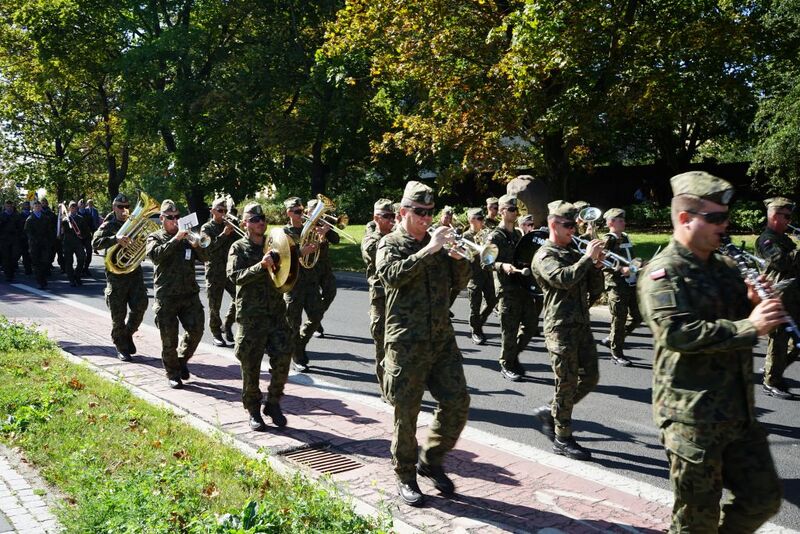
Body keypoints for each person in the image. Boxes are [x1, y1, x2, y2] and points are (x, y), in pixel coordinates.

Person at [639, 171, 783, 532]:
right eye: (715, 217)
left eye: (725, 217)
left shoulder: (726, 267)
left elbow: (738, 316)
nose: (725, 225)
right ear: (685, 218)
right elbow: (676, 333)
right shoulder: (663, 273)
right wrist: (750, 326)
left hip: (737, 410)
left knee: (762, 499)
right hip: (692, 417)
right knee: (696, 519)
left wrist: (754, 302)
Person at [376, 180, 471, 507]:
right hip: (406, 341)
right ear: (403, 212)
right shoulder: (390, 243)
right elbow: (391, 276)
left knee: (457, 402)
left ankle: (431, 460)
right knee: (407, 413)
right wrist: (429, 249)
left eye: (430, 212)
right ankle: (405, 474)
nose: (426, 218)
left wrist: (458, 258)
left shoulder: (440, 245)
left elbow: (460, 283)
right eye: (420, 212)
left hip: (441, 339)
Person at [531, 200, 604, 461]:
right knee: (566, 382)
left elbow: (595, 290)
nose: (574, 229)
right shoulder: (544, 255)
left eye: (575, 224)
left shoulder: (574, 252)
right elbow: (563, 279)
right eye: (569, 225)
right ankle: (562, 438)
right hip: (560, 328)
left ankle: (551, 412)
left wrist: (596, 267)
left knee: (590, 377)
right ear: (553, 224)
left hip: (581, 324)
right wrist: (587, 259)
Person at [227, 202, 293, 431]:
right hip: (251, 316)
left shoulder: (274, 244)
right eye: (254, 220)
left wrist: (298, 254)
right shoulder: (238, 247)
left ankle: (273, 403)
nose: (260, 222)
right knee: (250, 365)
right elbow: (235, 276)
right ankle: (253, 410)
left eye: (262, 218)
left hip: (275, 313)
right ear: (245, 223)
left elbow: (288, 267)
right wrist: (260, 266)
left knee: (284, 356)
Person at [146, 199, 209, 388]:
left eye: (177, 217)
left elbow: (206, 258)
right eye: (170, 217)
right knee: (169, 339)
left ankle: (181, 360)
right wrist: (176, 239)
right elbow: (155, 256)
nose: (174, 220)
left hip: (189, 293)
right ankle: (172, 374)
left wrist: (197, 246)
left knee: (197, 330)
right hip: (167, 296)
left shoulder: (188, 238)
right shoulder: (155, 237)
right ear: (162, 219)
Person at [92, 194, 149, 361]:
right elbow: (95, 243)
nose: (124, 210)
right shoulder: (108, 225)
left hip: (134, 273)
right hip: (116, 276)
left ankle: (127, 334)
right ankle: (121, 346)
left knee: (141, 306)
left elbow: (146, 241)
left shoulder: (135, 223)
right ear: (113, 207)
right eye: (120, 206)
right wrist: (115, 239)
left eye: (127, 206)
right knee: (118, 315)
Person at [487, 194, 536, 380]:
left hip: (522, 286)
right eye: (512, 209)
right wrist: (502, 266)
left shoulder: (518, 234)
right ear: (501, 211)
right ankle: (506, 364)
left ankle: (512, 355)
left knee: (531, 326)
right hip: (507, 289)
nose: (516, 213)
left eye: (516, 209)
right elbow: (486, 262)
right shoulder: (494, 236)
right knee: (510, 330)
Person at [756, 196, 800, 399]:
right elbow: (782, 262)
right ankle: (771, 382)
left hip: (794, 295)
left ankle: (773, 370)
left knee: (795, 343)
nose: (790, 221)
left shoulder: (785, 239)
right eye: (787, 216)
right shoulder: (766, 240)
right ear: (774, 216)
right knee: (779, 340)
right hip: (778, 296)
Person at [283, 197, 327, 372]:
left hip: (311, 280)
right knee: (293, 322)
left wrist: (322, 238)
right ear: (289, 213)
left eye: (302, 210)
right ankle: (296, 356)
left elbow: (320, 253)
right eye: (297, 212)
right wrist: (301, 252)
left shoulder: (310, 228)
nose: (302, 214)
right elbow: (283, 257)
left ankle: (299, 345)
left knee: (316, 316)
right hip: (293, 283)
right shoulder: (284, 232)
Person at [597, 208, 642, 366]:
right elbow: (600, 262)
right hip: (616, 285)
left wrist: (638, 263)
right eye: (620, 220)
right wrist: (620, 269)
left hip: (631, 282)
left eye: (623, 220)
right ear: (611, 223)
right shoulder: (608, 239)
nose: (624, 222)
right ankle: (616, 353)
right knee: (619, 319)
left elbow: (630, 258)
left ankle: (612, 339)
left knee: (637, 317)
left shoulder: (625, 237)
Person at [361, 199, 395, 396]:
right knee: (381, 343)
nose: (391, 219)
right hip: (381, 297)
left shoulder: (398, 236)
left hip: (398, 296)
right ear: (376, 218)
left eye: (393, 215)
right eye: (387, 216)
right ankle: (385, 389)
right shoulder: (371, 240)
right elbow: (377, 255)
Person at [201, 197, 238, 347]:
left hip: (230, 270)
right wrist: (224, 234)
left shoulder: (229, 225)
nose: (223, 214)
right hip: (214, 271)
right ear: (212, 211)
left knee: (239, 297)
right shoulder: (206, 228)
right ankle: (216, 333)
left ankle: (228, 323)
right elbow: (208, 248)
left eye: (225, 211)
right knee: (214, 306)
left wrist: (239, 227)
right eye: (220, 210)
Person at [306, 197, 340, 339]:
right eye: (315, 212)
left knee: (331, 292)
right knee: (313, 299)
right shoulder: (304, 226)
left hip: (325, 266)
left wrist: (326, 232)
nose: (319, 216)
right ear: (308, 212)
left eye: (320, 212)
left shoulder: (324, 224)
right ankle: (315, 324)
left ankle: (315, 319)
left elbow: (336, 240)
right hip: (310, 267)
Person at [462, 207, 497, 345]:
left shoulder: (486, 233)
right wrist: (476, 251)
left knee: (492, 301)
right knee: (474, 306)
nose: (483, 221)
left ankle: (478, 322)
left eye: (483, 218)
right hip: (474, 275)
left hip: (487, 273)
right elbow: (464, 257)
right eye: (480, 218)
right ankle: (476, 331)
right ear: (471, 220)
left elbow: (492, 252)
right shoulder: (465, 237)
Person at [61, 201, 90, 287]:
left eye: (75, 207)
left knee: (82, 258)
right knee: (69, 261)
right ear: (69, 208)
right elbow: (62, 232)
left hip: (78, 242)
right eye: (72, 207)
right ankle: (71, 279)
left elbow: (86, 231)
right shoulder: (65, 219)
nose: (73, 208)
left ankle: (77, 275)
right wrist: (64, 221)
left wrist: (83, 238)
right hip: (68, 243)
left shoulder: (80, 218)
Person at [24, 200, 51, 289]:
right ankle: (41, 281)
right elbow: (28, 232)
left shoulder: (46, 218)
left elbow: (49, 231)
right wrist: (34, 241)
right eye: (36, 207)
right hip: (34, 244)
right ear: (33, 208)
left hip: (44, 243)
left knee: (45, 261)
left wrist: (49, 241)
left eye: (39, 206)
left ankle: (43, 279)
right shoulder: (30, 219)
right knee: (36, 263)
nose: (38, 208)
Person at [0, 200, 22, 282]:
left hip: (14, 239)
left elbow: (21, 227)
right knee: (6, 257)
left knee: (15, 256)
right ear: (5, 207)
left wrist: (17, 233)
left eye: (10, 206)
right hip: (4, 239)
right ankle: (8, 274)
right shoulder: (1, 215)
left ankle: (11, 271)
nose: (9, 208)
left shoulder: (16, 215)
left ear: (12, 207)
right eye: (7, 206)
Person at [18, 201, 32, 276]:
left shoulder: (32, 215)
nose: (27, 206)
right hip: (23, 238)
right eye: (25, 205)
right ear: (23, 206)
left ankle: (30, 267)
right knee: (25, 253)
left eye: (28, 205)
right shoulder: (19, 215)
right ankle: (27, 269)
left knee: (32, 254)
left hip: (32, 238)